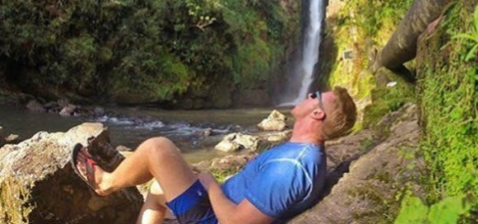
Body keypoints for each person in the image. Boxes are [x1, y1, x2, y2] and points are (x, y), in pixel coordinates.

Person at [72, 86, 357, 224]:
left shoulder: (292, 168)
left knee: (158, 149)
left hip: (213, 219)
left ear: (317, 113)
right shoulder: (301, 154)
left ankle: (105, 184)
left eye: (314, 95)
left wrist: (209, 185)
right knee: (159, 187)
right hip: (215, 208)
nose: (308, 95)